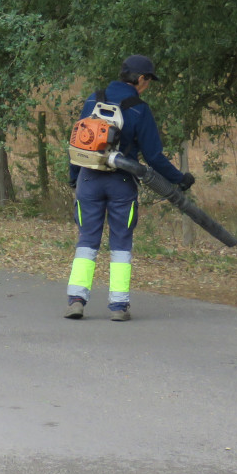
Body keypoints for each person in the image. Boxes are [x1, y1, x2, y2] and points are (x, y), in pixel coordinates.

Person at [64, 55, 193, 321]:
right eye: (148, 80)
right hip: (122, 183)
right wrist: (179, 179)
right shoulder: (138, 109)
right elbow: (153, 156)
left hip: (88, 180)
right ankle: (119, 307)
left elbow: (78, 141)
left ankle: (76, 300)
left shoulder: (93, 99)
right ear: (141, 79)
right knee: (121, 243)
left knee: (87, 241)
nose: (148, 86)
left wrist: (74, 176)